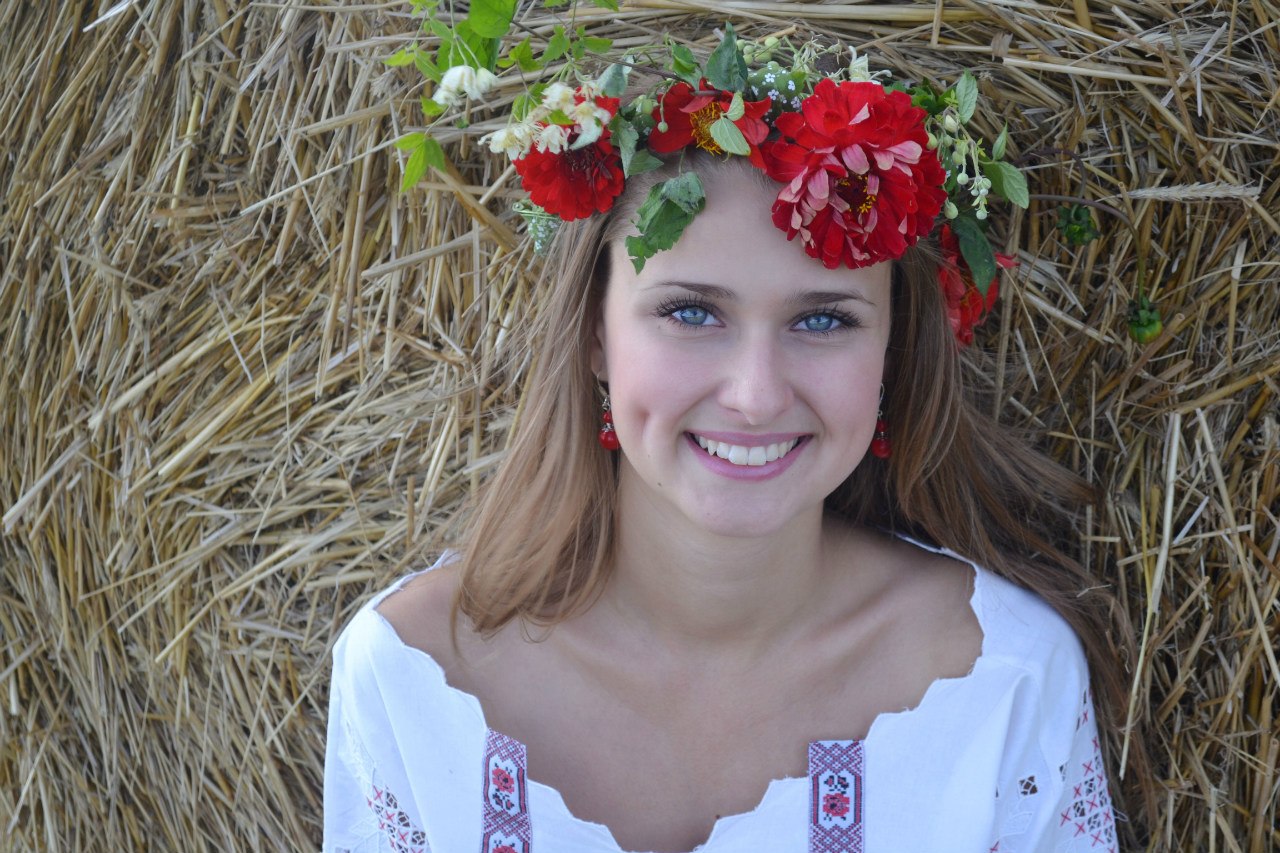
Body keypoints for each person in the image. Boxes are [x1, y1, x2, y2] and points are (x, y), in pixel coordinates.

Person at [325, 26, 1139, 853]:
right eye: (691, 313)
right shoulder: (412, 676)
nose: (755, 396)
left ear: (894, 350)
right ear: (594, 338)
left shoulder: (1003, 681)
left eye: (822, 319)